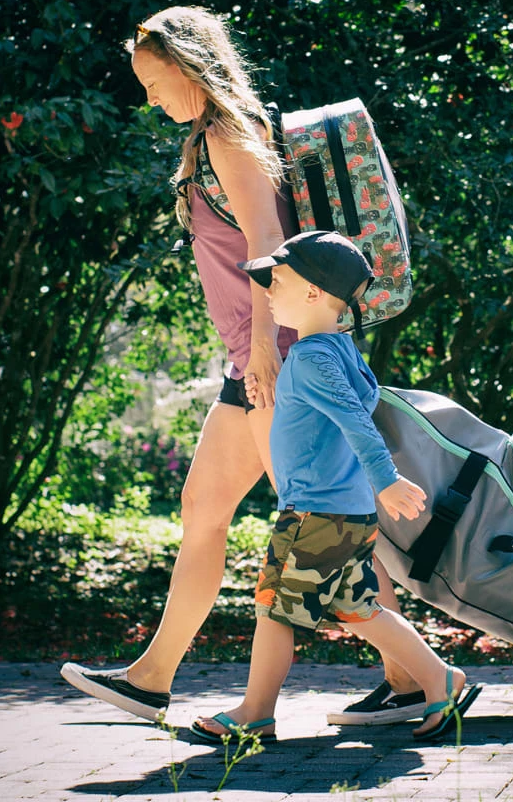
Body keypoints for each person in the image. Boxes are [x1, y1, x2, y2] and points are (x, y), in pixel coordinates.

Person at [60, 5, 428, 727]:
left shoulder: (230, 133)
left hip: (280, 361)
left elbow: (267, 242)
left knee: (319, 521)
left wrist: (263, 355)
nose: (150, 98)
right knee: (205, 511)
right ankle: (152, 676)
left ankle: (415, 677)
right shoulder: (209, 135)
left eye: (156, 82)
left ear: (192, 68)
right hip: (258, 358)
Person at [190, 230, 481, 743]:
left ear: (313, 294)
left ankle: (255, 711)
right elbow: (351, 407)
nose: (268, 289)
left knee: (276, 608)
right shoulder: (338, 351)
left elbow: (353, 420)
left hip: (314, 512)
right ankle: (440, 679)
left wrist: (387, 481)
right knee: (359, 609)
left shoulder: (311, 358)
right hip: (345, 512)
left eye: (277, 280)